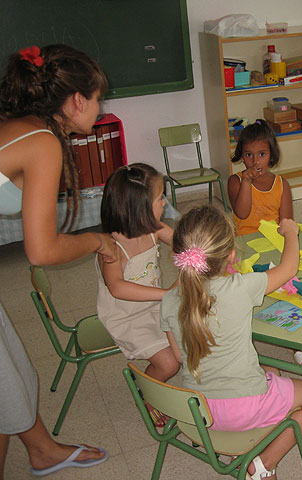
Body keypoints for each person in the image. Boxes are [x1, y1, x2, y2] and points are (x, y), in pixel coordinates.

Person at [0, 44, 116, 477]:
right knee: (5, 383)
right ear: (77, 100)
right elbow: (42, 250)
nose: (101, 108)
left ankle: (41, 449)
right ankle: (42, 450)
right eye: (99, 98)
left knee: (11, 369)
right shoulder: (43, 142)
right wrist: (97, 241)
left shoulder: (21, 128)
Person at [161, 205, 302, 480]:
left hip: (197, 412)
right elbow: (289, 268)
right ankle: (263, 465)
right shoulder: (240, 287)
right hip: (243, 408)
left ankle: (242, 450)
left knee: (271, 373)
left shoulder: (168, 301)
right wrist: (291, 233)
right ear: (231, 255)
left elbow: (180, 357)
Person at [97, 163, 180, 424]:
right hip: (127, 317)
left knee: (188, 343)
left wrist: (204, 255)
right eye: (160, 199)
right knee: (170, 364)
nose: (164, 204)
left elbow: (181, 242)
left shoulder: (152, 227)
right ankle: (148, 394)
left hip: (154, 305)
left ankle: (149, 375)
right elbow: (117, 288)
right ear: (138, 208)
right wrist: (166, 293)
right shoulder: (111, 246)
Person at [227, 119, 302, 366]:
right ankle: (245, 343)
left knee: (288, 286)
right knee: (244, 295)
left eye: (262, 154)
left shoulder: (281, 184)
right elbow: (242, 214)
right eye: (249, 155)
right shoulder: (235, 181)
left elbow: (287, 223)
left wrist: (289, 245)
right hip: (244, 246)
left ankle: (294, 343)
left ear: (271, 155)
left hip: (272, 244)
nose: (255, 162)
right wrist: (246, 182)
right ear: (241, 157)